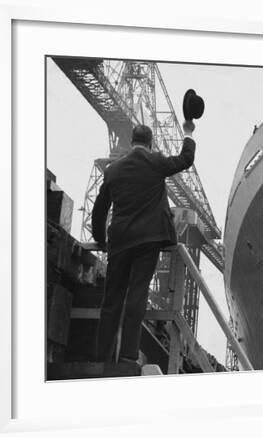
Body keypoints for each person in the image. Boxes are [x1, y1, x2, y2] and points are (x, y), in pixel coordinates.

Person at [91, 121, 196, 367]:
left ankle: (101, 357)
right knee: (137, 294)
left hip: (119, 242)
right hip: (148, 240)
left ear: (131, 142)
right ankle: (128, 355)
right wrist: (189, 132)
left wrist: (100, 239)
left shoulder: (113, 170)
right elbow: (185, 160)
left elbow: (99, 210)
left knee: (112, 299)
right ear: (150, 144)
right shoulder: (156, 162)